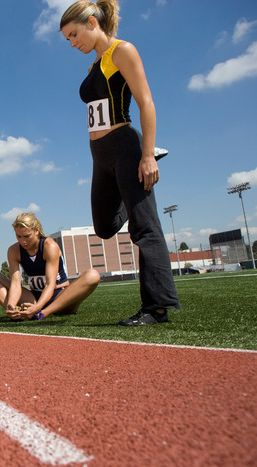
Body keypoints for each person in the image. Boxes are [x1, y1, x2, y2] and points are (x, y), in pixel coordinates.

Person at [59, 0, 181, 326]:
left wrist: (146, 153)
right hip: (100, 156)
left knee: (144, 228)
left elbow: (145, 101)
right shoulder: (95, 64)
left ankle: (156, 308)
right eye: (67, 39)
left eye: (73, 35)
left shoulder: (121, 50)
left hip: (126, 147)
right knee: (103, 226)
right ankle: (134, 190)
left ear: (91, 22)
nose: (72, 43)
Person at [0, 212, 99, 321]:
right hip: (34, 296)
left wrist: (39, 308)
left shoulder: (49, 246)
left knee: (92, 275)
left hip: (59, 296)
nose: (23, 241)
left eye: (27, 236)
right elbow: (15, 284)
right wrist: (11, 304)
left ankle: (42, 313)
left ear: (36, 230)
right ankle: (16, 313)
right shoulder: (13, 250)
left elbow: (50, 284)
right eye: (18, 236)